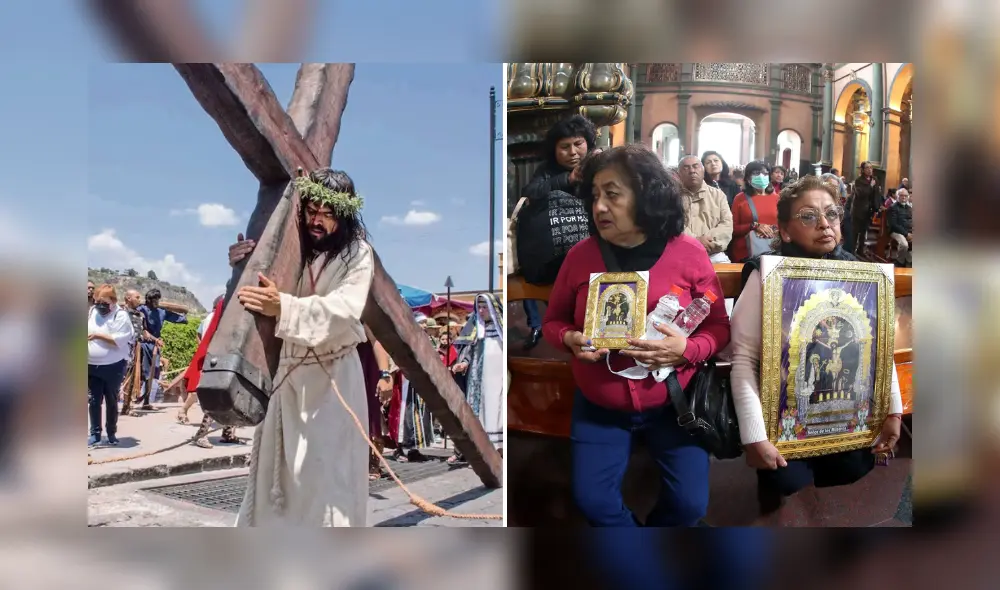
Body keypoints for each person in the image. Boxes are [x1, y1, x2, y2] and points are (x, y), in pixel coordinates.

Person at [543, 144, 731, 527]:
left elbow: (718, 327)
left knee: (690, 506)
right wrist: (569, 339)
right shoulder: (580, 256)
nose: (599, 207)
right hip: (599, 406)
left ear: (647, 195)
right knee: (593, 502)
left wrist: (688, 349)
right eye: (594, 195)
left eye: (612, 194)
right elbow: (553, 322)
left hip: (674, 405)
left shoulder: (688, 252)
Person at [729, 176, 903, 514]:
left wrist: (892, 409)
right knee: (784, 480)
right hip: (782, 413)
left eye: (831, 214)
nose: (824, 223)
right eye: (808, 216)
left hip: (844, 409)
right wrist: (754, 435)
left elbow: (879, 349)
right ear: (785, 230)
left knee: (849, 470)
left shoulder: (859, 272)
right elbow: (745, 359)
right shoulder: (765, 274)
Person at [230, 167, 373, 527]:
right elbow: (256, 294)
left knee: (326, 479)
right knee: (279, 481)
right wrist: (243, 265)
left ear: (344, 215)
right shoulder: (292, 248)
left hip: (333, 381)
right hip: (288, 378)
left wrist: (284, 307)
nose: (317, 221)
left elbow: (344, 310)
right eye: (311, 211)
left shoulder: (357, 254)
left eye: (328, 214)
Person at [514, 115, 598, 350]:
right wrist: (568, 179)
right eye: (565, 147)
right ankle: (537, 325)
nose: (572, 152)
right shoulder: (547, 170)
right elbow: (531, 191)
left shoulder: (600, 164)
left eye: (578, 144)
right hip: (551, 252)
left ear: (588, 143)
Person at [178, 294, 242, 448]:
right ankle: (202, 434)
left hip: (224, 357)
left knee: (231, 396)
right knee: (218, 397)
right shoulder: (223, 312)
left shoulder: (224, 312)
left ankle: (227, 432)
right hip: (220, 357)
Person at [449, 294, 505, 463]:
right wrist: (463, 363)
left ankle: (500, 449)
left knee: (499, 410)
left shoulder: (503, 326)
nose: (480, 311)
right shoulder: (476, 328)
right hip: (479, 379)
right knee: (480, 410)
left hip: (500, 378)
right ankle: (480, 450)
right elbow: (469, 351)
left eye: (484, 307)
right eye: (479, 307)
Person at [87, 285, 135, 447]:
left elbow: (119, 339)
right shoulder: (92, 312)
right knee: (94, 400)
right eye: (97, 302)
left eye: (104, 302)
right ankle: (95, 434)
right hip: (92, 365)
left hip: (113, 365)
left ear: (113, 301)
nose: (100, 305)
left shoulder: (121, 316)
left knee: (111, 399)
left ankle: (111, 433)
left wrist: (97, 336)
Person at [136, 288, 187, 411]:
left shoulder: (161, 311)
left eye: (157, 300)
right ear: (149, 300)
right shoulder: (141, 310)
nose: (156, 302)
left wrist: (184, 316)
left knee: (153, 374)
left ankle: (147, 401)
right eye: (154, 299)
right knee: (140, 373)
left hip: (154, 347)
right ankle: (133, 400)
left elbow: (176, 317)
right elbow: (142, 329)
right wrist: (154, 339)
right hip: (142, 344)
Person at [677, 154, 734, 263]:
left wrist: (707, 241)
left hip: (713, 253)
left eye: (695, 166)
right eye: (686, 168)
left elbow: (727, 224)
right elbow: (672, 225)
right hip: (682, 253)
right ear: (679, 173)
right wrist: (695, 241)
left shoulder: (718, 195)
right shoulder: (672, 196)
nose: (692, 171)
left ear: (703, 171)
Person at [729, 160, 779, 263]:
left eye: (765, 173)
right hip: (747, 253)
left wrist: (773, 230)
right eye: (756, 173)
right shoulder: (740, 199)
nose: (761, 176)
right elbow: (732, 228)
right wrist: (754, 226)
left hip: (773, 250)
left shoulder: (777, 198)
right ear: (747, 178)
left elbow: (785, 224)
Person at [850, 161, 883, 258]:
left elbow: (877, 194)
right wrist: (870, 186)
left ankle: (860, 250)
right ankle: (852, 251)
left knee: (864, 232)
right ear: (863, 170)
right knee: (856, 232)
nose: (869, 170)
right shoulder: (858, 181)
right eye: (867, 168)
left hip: (869, 210)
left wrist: (878, 207)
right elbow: (860, 194)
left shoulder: (875, 179)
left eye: (871, 168)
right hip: (858, 210)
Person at [886, 188, 912, 266]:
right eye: (901, 195)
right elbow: (893, 225)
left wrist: (911, 232)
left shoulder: (909, 208)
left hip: (907, 231)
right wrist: (906, 234)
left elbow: (911, 221)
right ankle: (900, 262)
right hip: (895, 231)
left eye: (905, 196)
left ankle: (909, 259)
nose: (904, 197)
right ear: (897, 196)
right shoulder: (892, 207)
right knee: (904, 245)